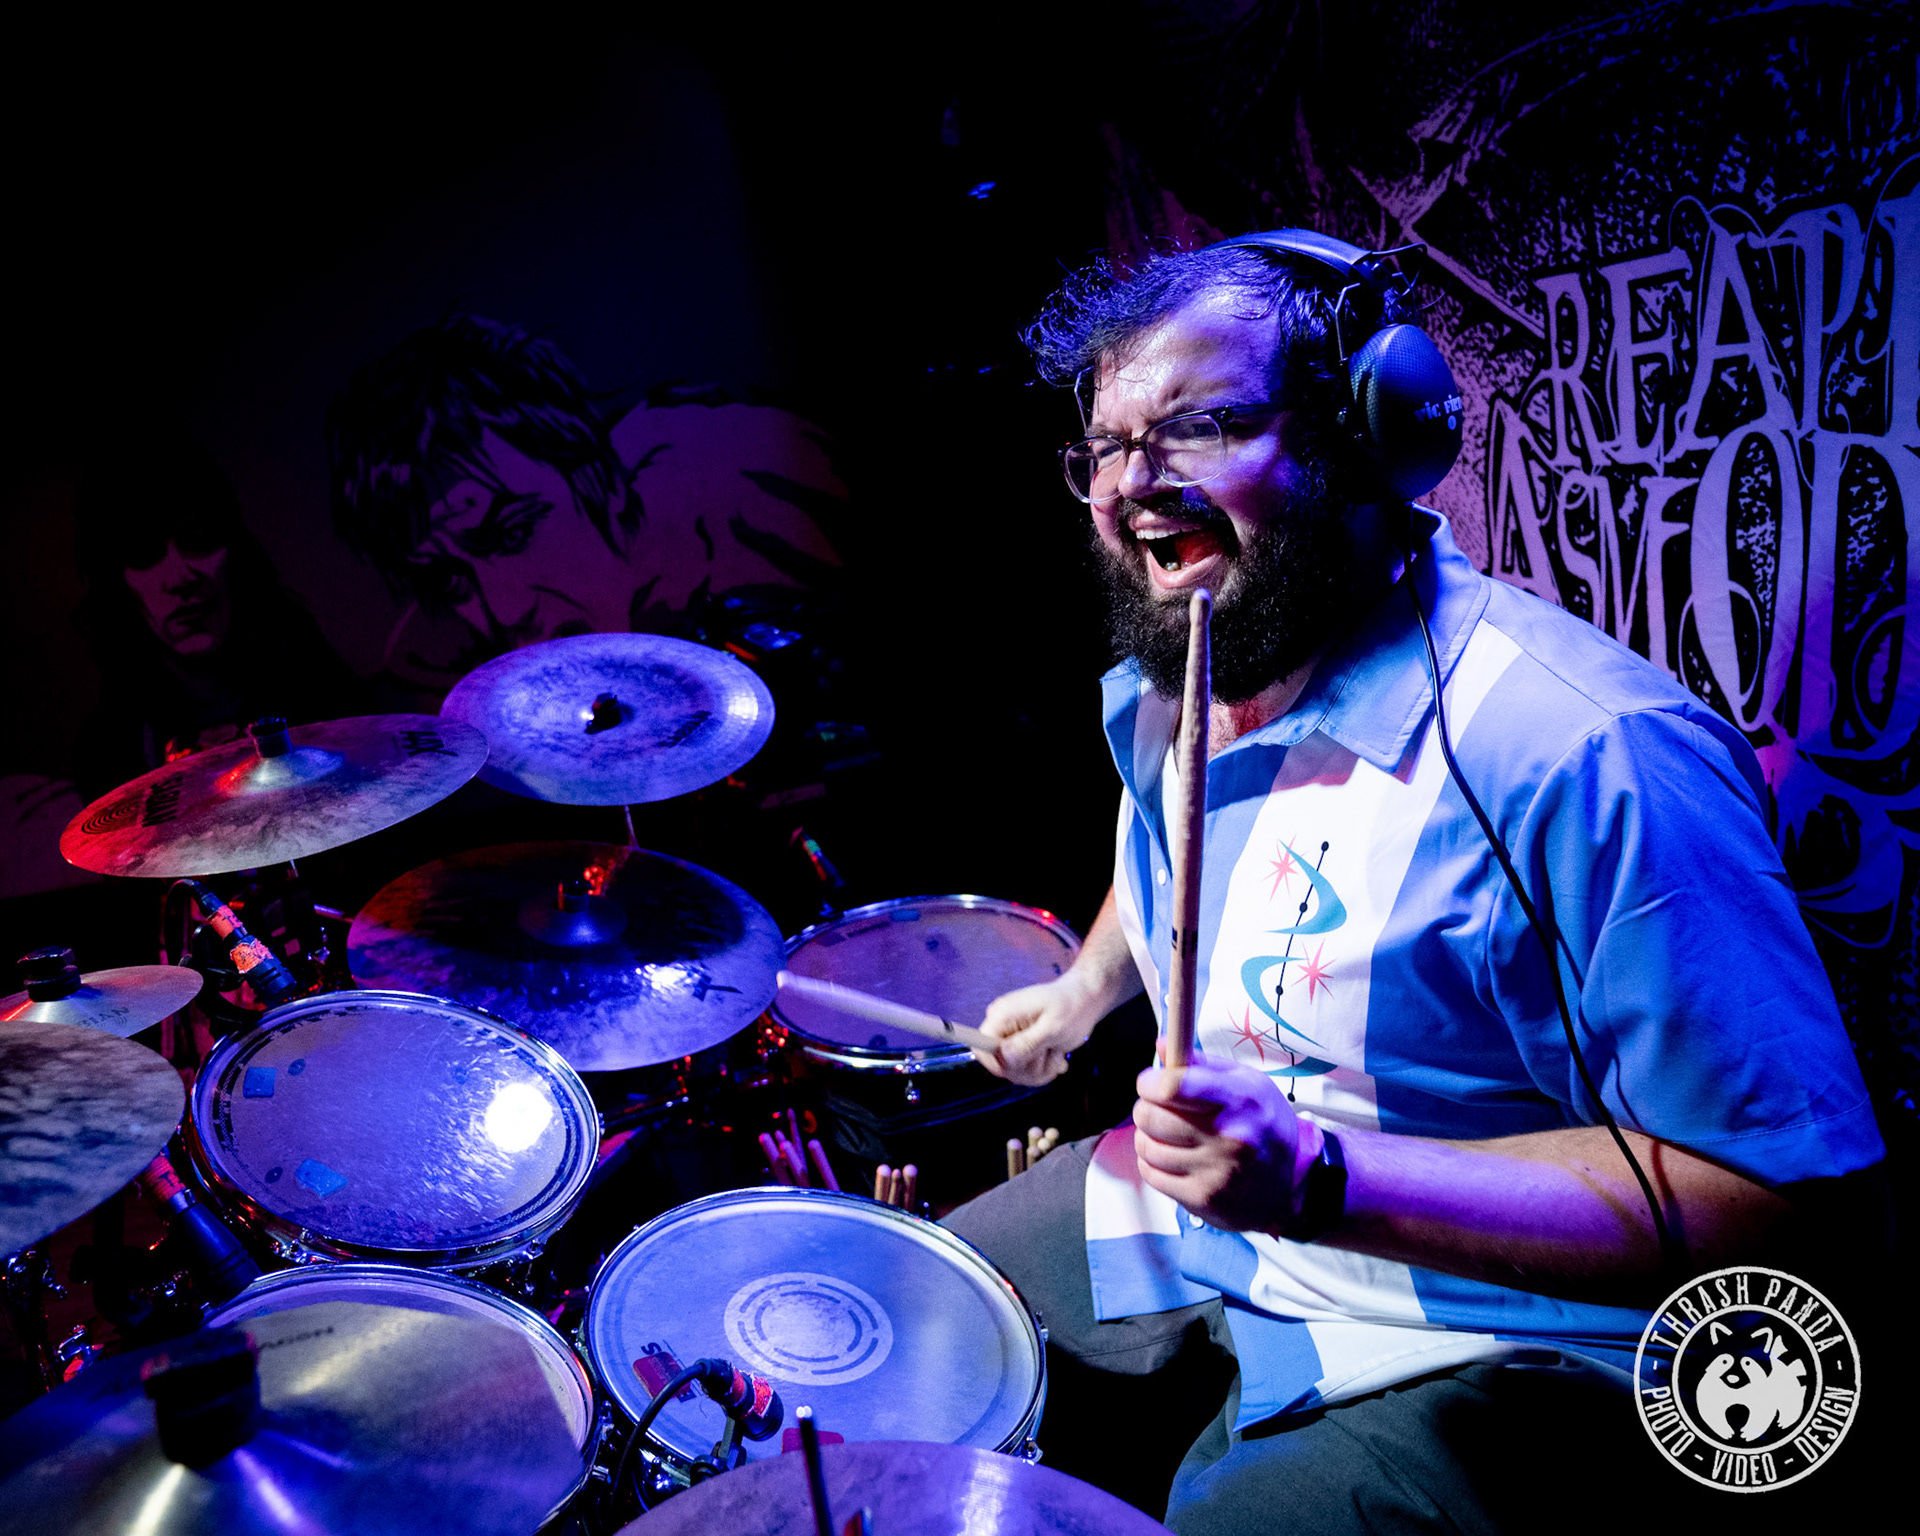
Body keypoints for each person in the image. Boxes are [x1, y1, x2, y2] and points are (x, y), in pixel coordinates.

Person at [944, 237, 1887, 1533]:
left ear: (1366, 436)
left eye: (1199, 427)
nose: (1132, 486)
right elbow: (1189, 860)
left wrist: (1322, 1180)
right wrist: (1089, 989)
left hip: (1508, 1333)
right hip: (1228, 1225)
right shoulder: (1186, 682)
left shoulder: (1581, 754)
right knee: (921, 1313)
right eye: (1105, 446)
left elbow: (1794, 1216)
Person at [326, 315, 845, 660]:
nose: (504, 611)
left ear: (603, 480)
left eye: (513, 534)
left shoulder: (749, 483)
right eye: (449, 579)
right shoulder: (434, 659)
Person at [72, 434, 366, 799]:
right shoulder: (110, 748)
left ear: (234, 550)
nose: (179, 577)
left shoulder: (317, 682)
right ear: (117, 582)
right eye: (144, 553)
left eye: (198, 539)